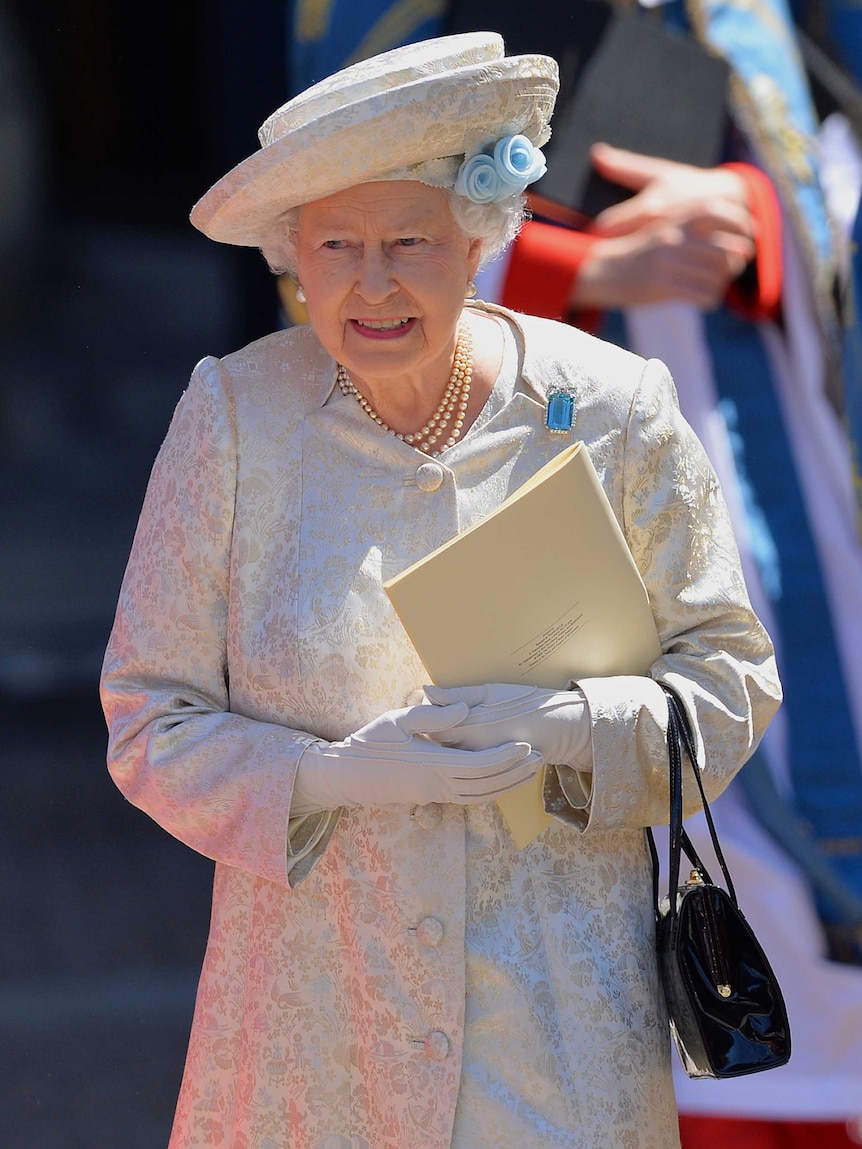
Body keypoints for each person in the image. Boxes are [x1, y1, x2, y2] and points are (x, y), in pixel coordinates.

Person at [100, 32, 781, 1148]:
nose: (372, 283)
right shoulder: (232, 417)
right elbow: (146, 718)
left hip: (557, 1019)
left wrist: (572, 726)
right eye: (336, 245)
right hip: (317, 1022)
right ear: (293, 261)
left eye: (409, 240)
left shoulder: (611, 409)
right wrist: (324, 775)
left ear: (478, 240)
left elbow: (730, 679)